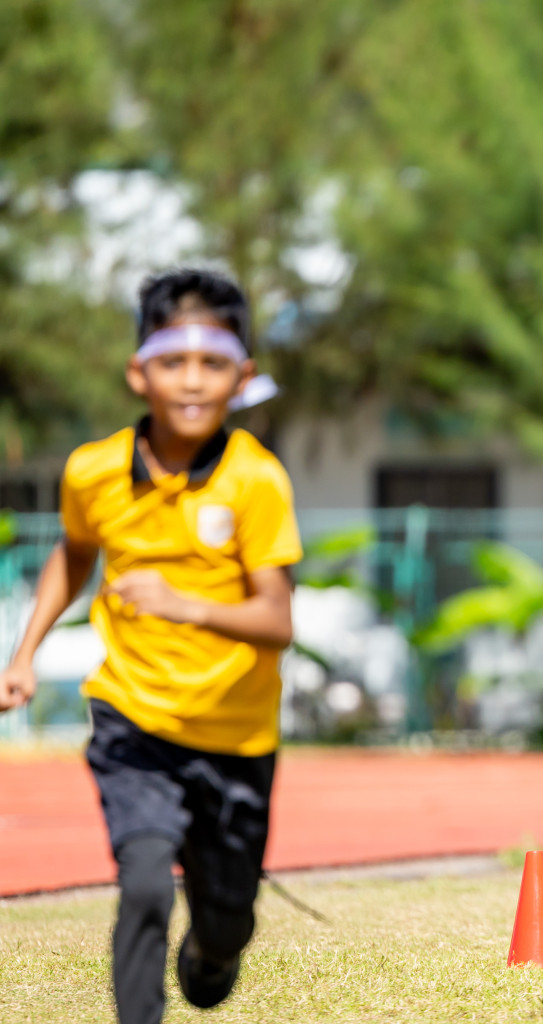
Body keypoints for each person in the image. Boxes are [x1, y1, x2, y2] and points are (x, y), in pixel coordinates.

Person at [0, 270, 301, 1024]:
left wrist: (182, 604)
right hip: (133, 719)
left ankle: (213, 947)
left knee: (226, 929)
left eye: (214, 363)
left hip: (236, 737)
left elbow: (277, 622)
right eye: (173, 361)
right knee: (141, 882)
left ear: (245, 377)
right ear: (139, 371)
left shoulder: (256, 482)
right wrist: (24, 651)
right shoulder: (92, 470)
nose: (193, 381)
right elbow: (74, 553)